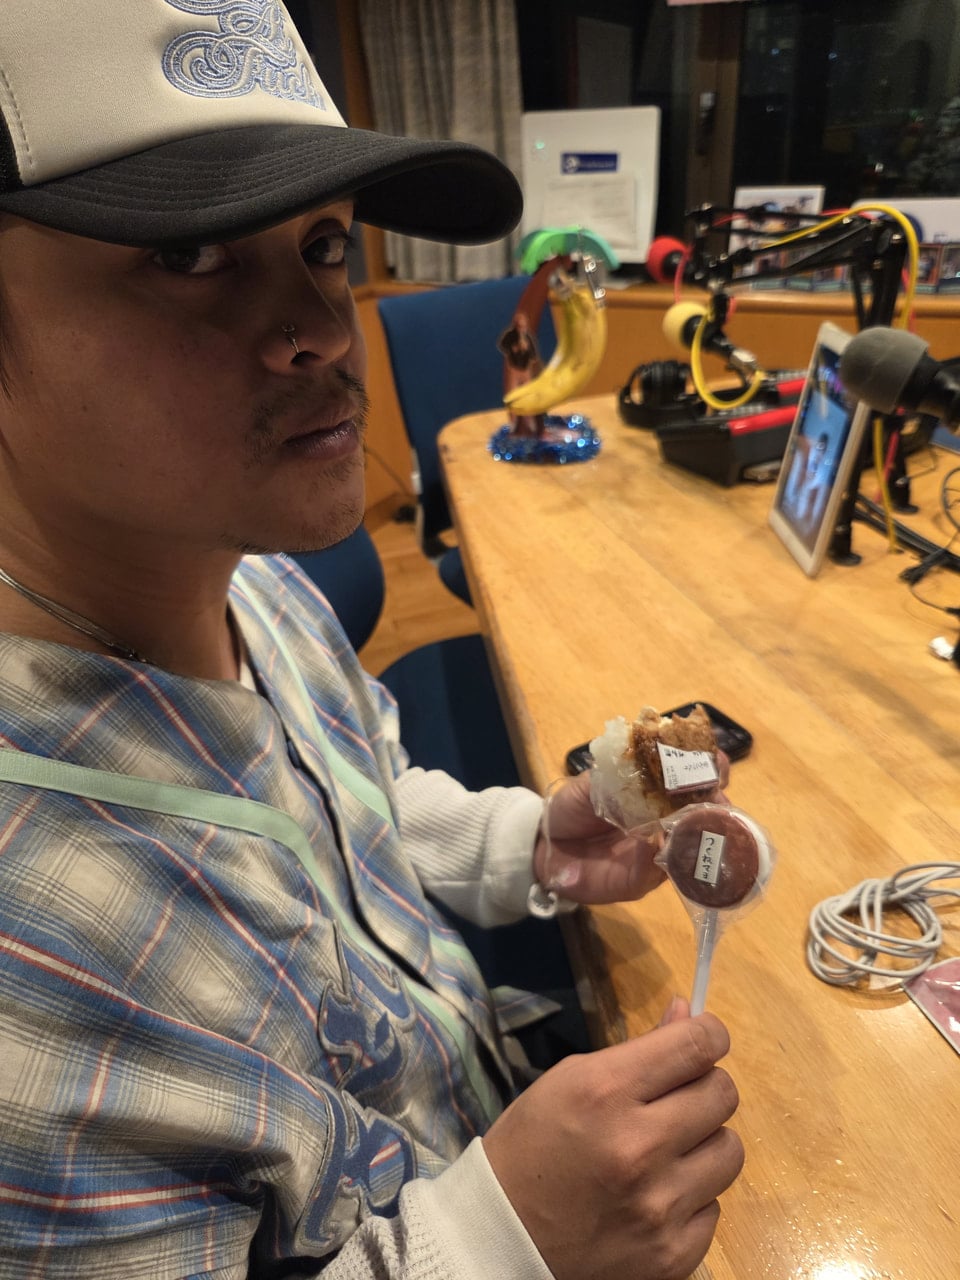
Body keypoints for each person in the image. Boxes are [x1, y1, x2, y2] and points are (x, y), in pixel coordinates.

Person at [0, 3, 744, 1277]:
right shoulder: (29, 969)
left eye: (325, 245)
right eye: (188, 254)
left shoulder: (257, 586)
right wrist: (496, 1244)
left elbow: (357, 802)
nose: (325, 330)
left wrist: (526, 843)